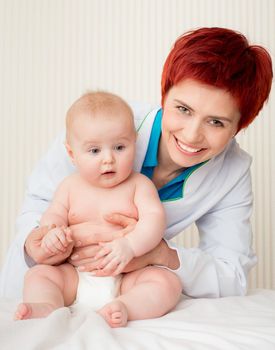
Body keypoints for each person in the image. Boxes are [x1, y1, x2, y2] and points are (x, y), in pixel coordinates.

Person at [0, 27, 273, 302]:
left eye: (216, 122)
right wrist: (42, 243)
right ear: (164, 95)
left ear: (240, 126)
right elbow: (40, 203)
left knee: (163, 285)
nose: (191, 135)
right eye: (183, 109)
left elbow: (231, 276)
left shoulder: (233, 171)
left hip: (124, 286)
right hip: (60, 273)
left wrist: (159, 254)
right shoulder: (99, 125)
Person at [13, 91, 182, 327]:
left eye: (119, 147)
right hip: (75, 273)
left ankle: (125, 306)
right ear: (72, 154)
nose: (108, 159)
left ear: (134, 142)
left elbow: (154, 219)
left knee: (167, 282)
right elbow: (54, 216)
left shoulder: (139, 185)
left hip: (125, 275)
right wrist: (53, 234)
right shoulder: (69, 186)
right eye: (94, 151)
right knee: (39, 275)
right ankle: (48, 306)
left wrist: (130, 246)